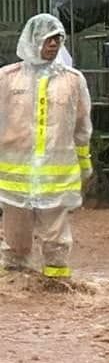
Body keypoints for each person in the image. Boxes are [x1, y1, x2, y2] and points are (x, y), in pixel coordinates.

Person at [0, 14, 93, 281]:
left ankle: (57, 288)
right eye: (47, 39)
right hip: (14, 179)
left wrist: (85, 163)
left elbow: (81, 125)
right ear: (32, 41)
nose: (53, 45)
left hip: (56, 178)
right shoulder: (7, 79)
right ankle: (17, 289)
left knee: (56, 239)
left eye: (57, 39)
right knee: (15, 240)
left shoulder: (73, 81)